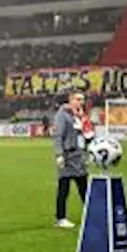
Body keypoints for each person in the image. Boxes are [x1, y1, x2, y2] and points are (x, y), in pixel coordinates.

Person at [52, 90, 91, 228]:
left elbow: (85, 135)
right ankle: (60, 218)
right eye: (78, 99)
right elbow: (58, 136)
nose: (81, 102)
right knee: (64, 187)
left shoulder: (80, 116)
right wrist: (59, 154)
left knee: (84, 188)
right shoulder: (62, 115)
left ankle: (91, 214)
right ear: (70, 100)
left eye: (82, 99)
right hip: (68, 156)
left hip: (79, 156)